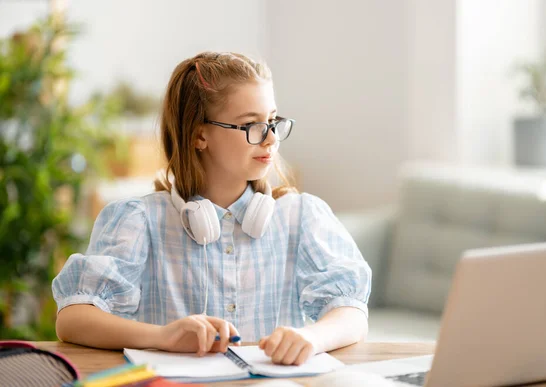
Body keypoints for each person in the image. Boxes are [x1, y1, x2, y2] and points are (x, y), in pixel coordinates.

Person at [52, 52, 371, 366]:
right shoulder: (139, 221)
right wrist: (164, 337)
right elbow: (73, 319)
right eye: (251, 125)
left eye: (272, 121)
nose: (271, 138)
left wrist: (314, 338)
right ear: (199, 135)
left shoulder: (300, 217)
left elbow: (352, 311)